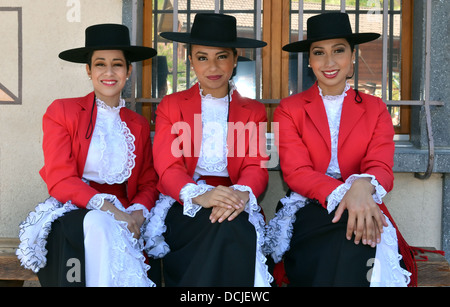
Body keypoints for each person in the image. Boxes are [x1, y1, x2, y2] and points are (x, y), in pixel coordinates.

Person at [264, 12, 417, 287]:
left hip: (364, 202)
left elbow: (381, 166)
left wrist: (362, 186)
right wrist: (348, 193)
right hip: (310, 204)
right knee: (344, 233)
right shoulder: (290, 109)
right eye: (319, 52)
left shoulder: (375, 108)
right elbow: (296, 172)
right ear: (309, 61)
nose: (330, 61)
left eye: (338, 50)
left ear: (352, 58)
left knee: (359, 237)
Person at [16, 24, 159, 287]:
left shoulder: (137, 124)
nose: (108, 72)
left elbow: (149, 181)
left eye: (117, 64)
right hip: (75, 207)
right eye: (100, 64)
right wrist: (112, 211)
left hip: (126, 211)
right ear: (88, 70)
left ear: (128, 71)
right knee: (99, 224)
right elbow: (59, 179)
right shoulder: (62, 111)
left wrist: (137, 213)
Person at [143, 13, 273, 287]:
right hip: (186, 201)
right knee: (219, 227)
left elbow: (257, 167)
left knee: (232, 226)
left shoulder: (255, 110)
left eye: (222, 56)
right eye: (202, 57)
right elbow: (167, 167)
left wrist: (237, 196)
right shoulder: (171, 105)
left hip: (235, 200)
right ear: (190, 60)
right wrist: (201, 195)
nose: (212, 66)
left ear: (235, 59)